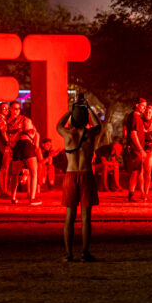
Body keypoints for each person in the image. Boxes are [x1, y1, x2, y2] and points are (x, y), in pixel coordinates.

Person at [57, 98, 102, 261]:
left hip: (70, 175)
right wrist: (88, 109)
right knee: (86, 218)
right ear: (85, 119)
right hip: (86, 174)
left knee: (69, 216)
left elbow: (58, 125)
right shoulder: (90, 134)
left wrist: (70, 110)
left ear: (73, 119)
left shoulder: (67, 134)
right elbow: (99, 126)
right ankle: (85, 252)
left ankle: (68, 253)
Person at [6, 101, 42, 205]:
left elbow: (35, 133)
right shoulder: (8, 122)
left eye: (18, 109)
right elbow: (32, 132)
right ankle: (29, 198)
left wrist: (36, 145)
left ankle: (26, 197)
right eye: (14, 108)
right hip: (21, 145)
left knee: (29, 172)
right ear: (10, 109)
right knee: (21, 173)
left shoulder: (24, 119)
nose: (16, 111)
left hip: (24, 144)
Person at [124, 98, 147, 201]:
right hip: (135, 149)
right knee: (135, 172)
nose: (144, 108)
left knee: (137, 172)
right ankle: (131, 195)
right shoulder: (135, 117)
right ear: (137, 105)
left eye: (145, 106)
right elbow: (133, 134)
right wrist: (140, 149)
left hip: (135, 148)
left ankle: (132, 194)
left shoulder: (136, 117)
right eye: (143, 106)